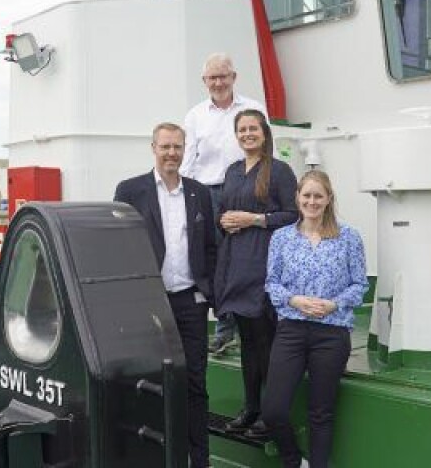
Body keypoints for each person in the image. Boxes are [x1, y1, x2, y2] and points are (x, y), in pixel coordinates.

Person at [114, 122, 216, 468]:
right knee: (151, 383)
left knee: (195, 385)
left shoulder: (199, 193)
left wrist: (209, 291)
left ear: (184, 149)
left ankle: (199, 461)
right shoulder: (130, 191)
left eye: (177, 147)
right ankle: (156, 457)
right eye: (165, 147)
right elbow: (121, 247)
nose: (172, 153)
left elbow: (209, 247)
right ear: (153, 148)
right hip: (149, 303)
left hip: (190, 302)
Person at [263, 170, 368, 468]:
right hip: (291, 330)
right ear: (297, 197)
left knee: (321, 412)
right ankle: (294, 461)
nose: (312, 201)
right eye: (306, 195)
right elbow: (272, 283)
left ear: (328, 199)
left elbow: (360, 284)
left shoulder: (349, 237)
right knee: (273, 410)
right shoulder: (281, 238)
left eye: (318, 196)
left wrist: (333, 304)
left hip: (331, 334)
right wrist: (294, 300)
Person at [214, 109, 298, 438]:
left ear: (264, 133)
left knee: (267, 341)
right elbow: (223, 210)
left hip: (263, 260)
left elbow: (293, 215)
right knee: (248, 341)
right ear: (237, 136)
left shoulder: (279, 171)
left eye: (253, 129)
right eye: (242, 129)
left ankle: (270, 411)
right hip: (235, 260)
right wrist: (225, 221)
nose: (248, 134)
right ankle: (251, 407)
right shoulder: (233, 171)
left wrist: (255, 219)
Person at [181, 52, 267, 355]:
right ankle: (224, 327)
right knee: (215, 260)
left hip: (244, 189)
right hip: (207, 193)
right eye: (212, 77)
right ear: (204, 81)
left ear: (234, 77)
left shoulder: (254, 109)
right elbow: (187, 160)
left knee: (245, 258)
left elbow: (263, 149)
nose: (218, 82)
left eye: (223, 76)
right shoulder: (194, 116)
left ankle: (251, 324)